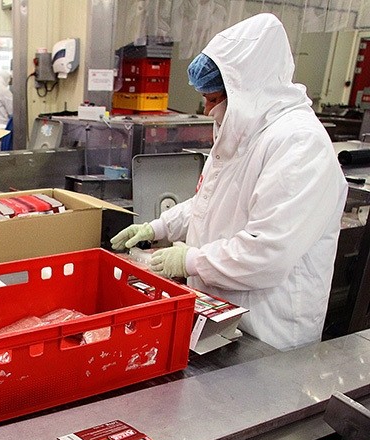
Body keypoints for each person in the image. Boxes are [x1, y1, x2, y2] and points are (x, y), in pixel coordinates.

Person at [110, 13, 347, 352]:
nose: (208, 110)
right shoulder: (244, 131)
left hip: (267, 333)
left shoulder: (299, 144)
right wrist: (158, 228)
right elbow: (212, 203)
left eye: (214, 99)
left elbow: (267, 251)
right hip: (219, 312)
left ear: (247, 91)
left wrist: (190, 261)